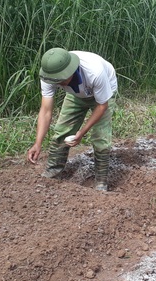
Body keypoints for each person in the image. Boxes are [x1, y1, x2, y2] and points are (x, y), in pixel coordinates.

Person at [27, 48, 118, 191]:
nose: (58, 83)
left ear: (70, 71)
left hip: (103, 95)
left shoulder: (95, 72)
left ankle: (101, 181)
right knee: (62, 130)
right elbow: (45, 111)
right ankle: (53, 171)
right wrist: (37, 143)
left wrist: (82, 132)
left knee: (100, 137)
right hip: (76, 95)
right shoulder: (49, 75)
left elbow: (101, 106)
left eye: (61, 80)